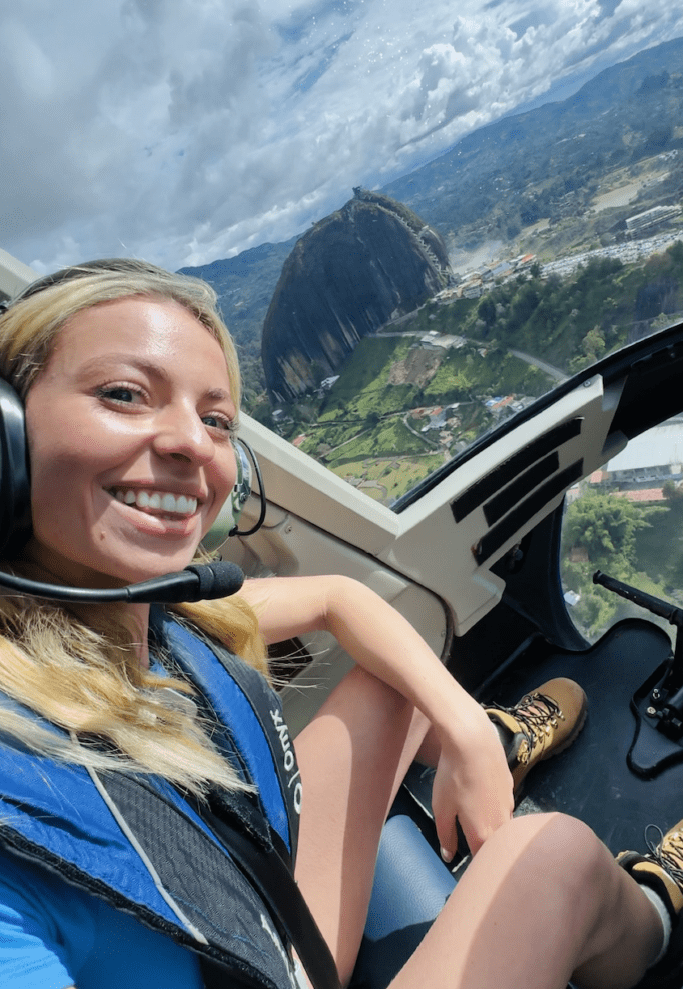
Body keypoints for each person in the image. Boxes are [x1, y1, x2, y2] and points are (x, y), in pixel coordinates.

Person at [0, 257, 678, 989]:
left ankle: (496, 743)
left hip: (259, 909)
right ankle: (653, 910)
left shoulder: (137, 612)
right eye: (124, 394)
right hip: (262, 965)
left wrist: (463, 729)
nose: (191, 444)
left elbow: (338, 600)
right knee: (556, 856)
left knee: (399, 685)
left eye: (216, 420)